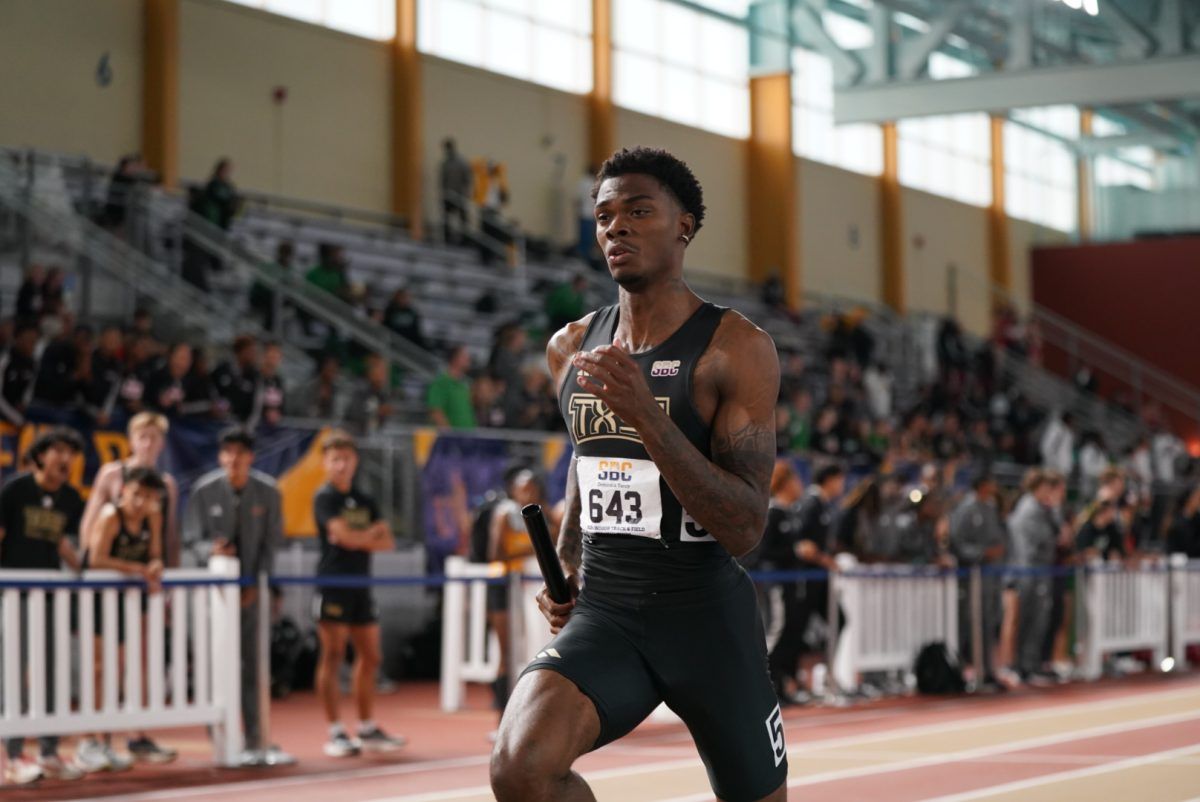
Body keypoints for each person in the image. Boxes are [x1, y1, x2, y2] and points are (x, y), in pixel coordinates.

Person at [491, 147, 787, 802]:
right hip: (610, 613)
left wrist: (648, 416)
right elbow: (587, 462)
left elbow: (744, 526)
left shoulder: (735, 349)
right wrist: (567, 560)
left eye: (638, 211)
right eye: (603, 216)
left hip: (706, 620)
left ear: (684, 225)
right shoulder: (569, 347)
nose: (615, 227)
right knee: (520, 766)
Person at [183, 427, 283, 765]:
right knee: (213, 665)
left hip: (253, 592)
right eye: (228, 453)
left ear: (250, 457)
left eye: (240, 453)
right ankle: (222, 739)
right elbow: (191, 541)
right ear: (220, 456)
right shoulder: (204, 491)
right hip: (214, 596)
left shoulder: (268, 492)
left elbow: (272, 545)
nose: (233, 460)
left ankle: (257, 738)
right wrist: (209, 551)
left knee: (254, 665)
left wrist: (258, 584)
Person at [0, 428, 86, 785]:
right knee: (13, 672)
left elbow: (75, 548)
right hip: (13, 594)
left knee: (52, 671)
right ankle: (14, 755)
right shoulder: (16, 490)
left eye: (71, 453)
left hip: (51, 596)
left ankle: (49, 752)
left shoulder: (71, 498)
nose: (65, 460)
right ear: (40, 456)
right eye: (58, 451)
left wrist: (78, 562)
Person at [312, 431, 405, 757]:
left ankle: (366, 727)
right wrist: (364, 536)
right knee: (334, 654)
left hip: (361, 585)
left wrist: (356, 536)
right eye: (335, 459)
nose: (341, 465)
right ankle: (335, 730)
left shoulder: (365, 499)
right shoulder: (324, 498)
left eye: (346, 458)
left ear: (355, 461)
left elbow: (387, 541)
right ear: (326, 463)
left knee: (371, 656)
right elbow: (342, 537)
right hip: (333, 584)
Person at [75, 467, 173, 771]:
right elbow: (95, 558)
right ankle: (88, 740)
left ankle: (107, 741)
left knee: (118, 670)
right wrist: (137, 569)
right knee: (98, 668)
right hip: (97, 599)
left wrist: (155, 566)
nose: (141, 502)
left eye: (149, 496)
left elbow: (154, 554)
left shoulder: (153, 517)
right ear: (123, 490)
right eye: (137, 494)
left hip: (125, 602)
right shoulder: (109, 516)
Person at [82, 412, 181, 568]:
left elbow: (170, 533)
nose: (148, 444)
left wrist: (174, 571)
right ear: (131, 441)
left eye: (154, 438)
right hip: (111, 566)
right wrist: (88, 563)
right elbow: (90, 522)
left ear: (162, 443)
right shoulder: (111, 473)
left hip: (146, 569)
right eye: (142, 437)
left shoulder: (167, 484)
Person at [1007, 468, 1065, 685]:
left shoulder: (1042, 509)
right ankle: (1025, 665)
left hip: (1038, 570)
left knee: (1038, 620)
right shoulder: (1029, 509)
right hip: (1031, 571)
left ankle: (1032, 664)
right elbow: (1040, 542)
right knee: (1030, 620)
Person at [948, 473, 1006, 688]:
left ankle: (988, 669)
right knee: (970, 624)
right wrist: (983, 553)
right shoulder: (966, 508)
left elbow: (999, 537)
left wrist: (997, 552)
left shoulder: (990, 507)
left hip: (990, 575)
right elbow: (957, 542)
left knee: (990, 622)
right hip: (972, 575)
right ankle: (966, 670)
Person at [759, 460, 807, 703]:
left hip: (790, 584)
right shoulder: (774, 514)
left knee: (790, 630)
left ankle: (780, 683)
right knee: (776, 630)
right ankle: (764, 685)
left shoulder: (790, 514)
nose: (800, 485)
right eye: (796, 480)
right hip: (776, 583)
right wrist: (796, 552)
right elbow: (763, 551)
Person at [212, 335, 262, 425]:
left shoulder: (254, 375)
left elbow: (256, 405)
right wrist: (217, 404)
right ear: (241, 351)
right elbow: (211, 390)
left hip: (241, 426)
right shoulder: (222, 369)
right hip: (218, 422)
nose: (254, 355)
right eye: (251, 351)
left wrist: (248, 426)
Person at [427, 345, 476, 429]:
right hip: (453, 439)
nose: (468, 359)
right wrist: (449, 436)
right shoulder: (441, 382)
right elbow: (435, 411)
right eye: (464, 356)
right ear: (455, 358)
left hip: (467, 438)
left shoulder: (463, 385)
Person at [344, 353, 395, 435]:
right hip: (354, 436)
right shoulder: (358, 389)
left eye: (385, 372)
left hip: (373, 438)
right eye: (381, 371)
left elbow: (383, 421)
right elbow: (353, 414)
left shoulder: (382, 395)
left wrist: (384, 414)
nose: (384, 376)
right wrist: (378, 412)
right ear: (371, 372)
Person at [0, 322, 39, 426]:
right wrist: (16, 418)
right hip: (5, 412)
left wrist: (24, 404)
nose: (32, 344)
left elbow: (29, 391)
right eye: (28, 340)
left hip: (21, 413)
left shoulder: (33, 363)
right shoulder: (4, 360)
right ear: (17, 338)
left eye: (34, 341)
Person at [440, 138, 473, 245]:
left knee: (463, 219)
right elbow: (442, 180)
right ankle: (447, 238)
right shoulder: (445, 163)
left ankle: (465, 239)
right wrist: (444, 193)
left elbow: (467, 179)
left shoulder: (461, 162)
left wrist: (465, 193)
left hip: (460, 195)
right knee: (447, 218)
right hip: (448, 195)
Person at [258, 340, 286, 427]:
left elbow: (281, 404)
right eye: (272, 353)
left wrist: (277, 413)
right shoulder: (256, 377)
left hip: (271, 427)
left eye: (277, 354)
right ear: (264, 355)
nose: (274, 356)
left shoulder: (278, 380)